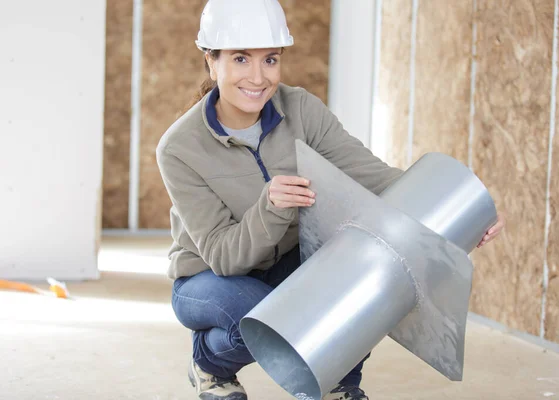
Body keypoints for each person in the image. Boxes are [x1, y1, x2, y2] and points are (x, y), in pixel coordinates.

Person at [156, 1, 506, 399]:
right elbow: (224, 256)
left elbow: (375, 178)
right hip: (208, 278)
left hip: (285, 265)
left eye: (270, 59)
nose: (258, 77)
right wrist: (271, 207)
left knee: (363, 268)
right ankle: (209, 362)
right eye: (240, 59)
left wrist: (461, 211)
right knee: (263, 315)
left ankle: (339, 382)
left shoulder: (300, 109)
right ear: (211, 61)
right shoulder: (179, 148)